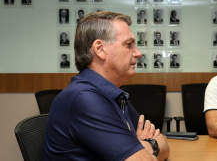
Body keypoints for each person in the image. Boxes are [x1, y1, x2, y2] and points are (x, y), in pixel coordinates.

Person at [43, 11, 170, 160]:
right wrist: (152, 145)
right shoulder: (84, 98)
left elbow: (164, 144)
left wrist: (147, 145)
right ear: (100, 49)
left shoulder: (112, 93)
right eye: (128, 44)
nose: (138, 53)